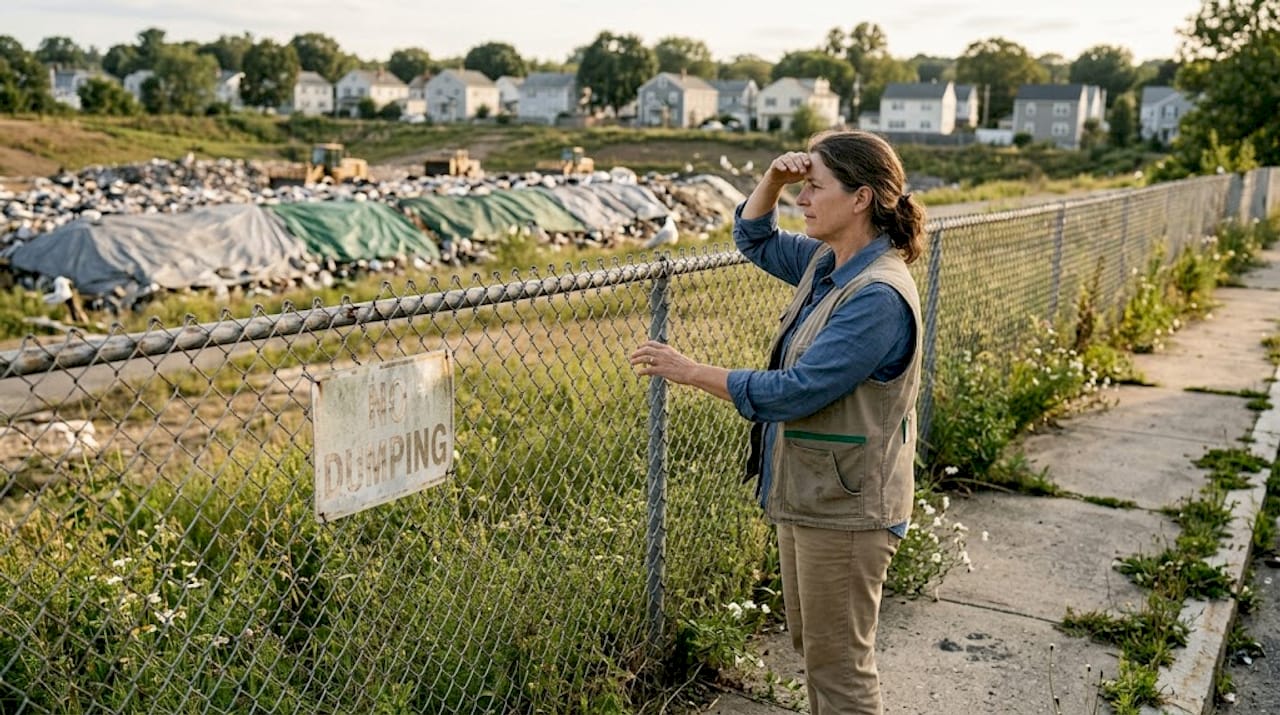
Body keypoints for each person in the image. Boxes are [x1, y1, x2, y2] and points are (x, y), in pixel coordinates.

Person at [629, 129, 925, 715]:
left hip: (848, 510)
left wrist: (689, 371)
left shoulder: (876, 295)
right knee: (816, 651)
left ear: (861, 198)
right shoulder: (827, 261)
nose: (802, 200)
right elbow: (754, 236)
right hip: (815, 496)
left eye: (814, 188)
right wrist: (772, 178)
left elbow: (798, 391)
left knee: (840, 669)